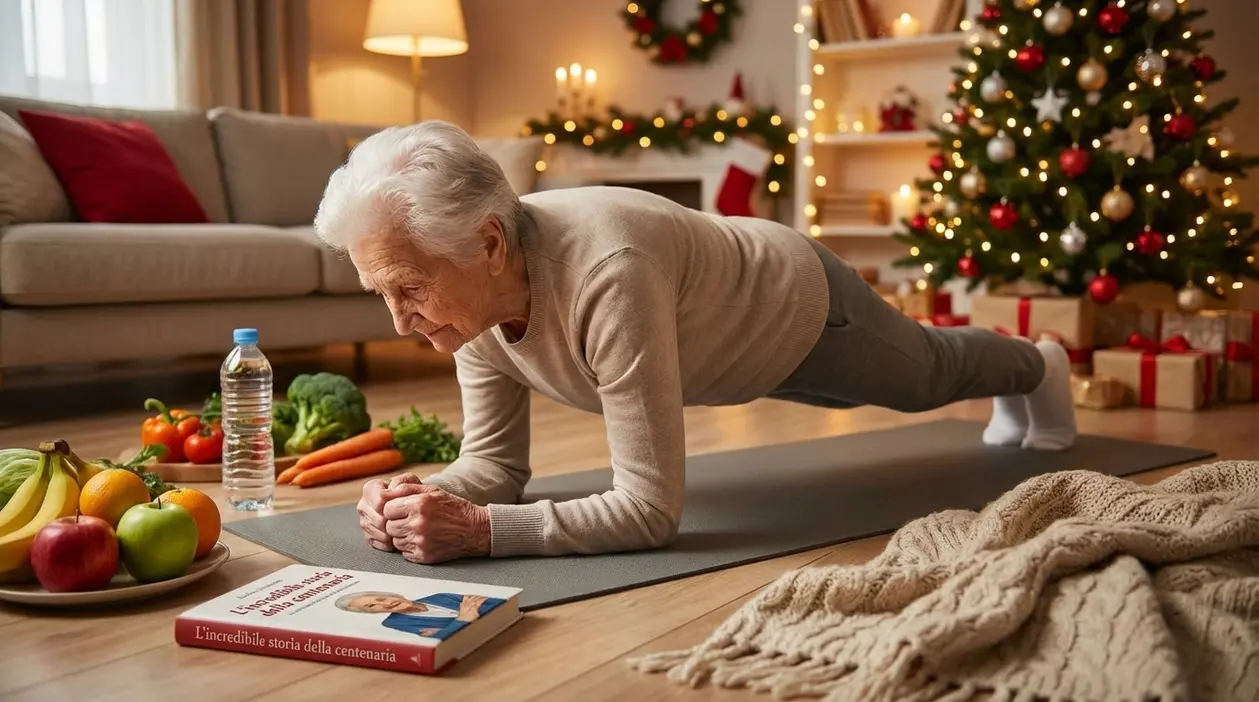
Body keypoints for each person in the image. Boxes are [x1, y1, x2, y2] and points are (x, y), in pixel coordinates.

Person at [312, 121, 1077, 565]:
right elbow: (498, 464)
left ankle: (1036, 363)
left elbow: (649, 511)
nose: (398, 322)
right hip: (717, 349)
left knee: (927, 375)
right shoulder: (470, 304)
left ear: (488, 244)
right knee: (925, 374)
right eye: (381, 293)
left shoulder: (607, 271)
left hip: (795, 309)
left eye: (408, 288)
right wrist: (432, 495)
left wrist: (480, 533)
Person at [333, 590, 502, 640]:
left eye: (381, 598)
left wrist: (454, 625)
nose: (384, 604)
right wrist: (464, 618)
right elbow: (442, 637)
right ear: (371, 613)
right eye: (372, 606)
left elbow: (496, 602)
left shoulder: (439, 596)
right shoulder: (393, 623)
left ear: (391, 594)